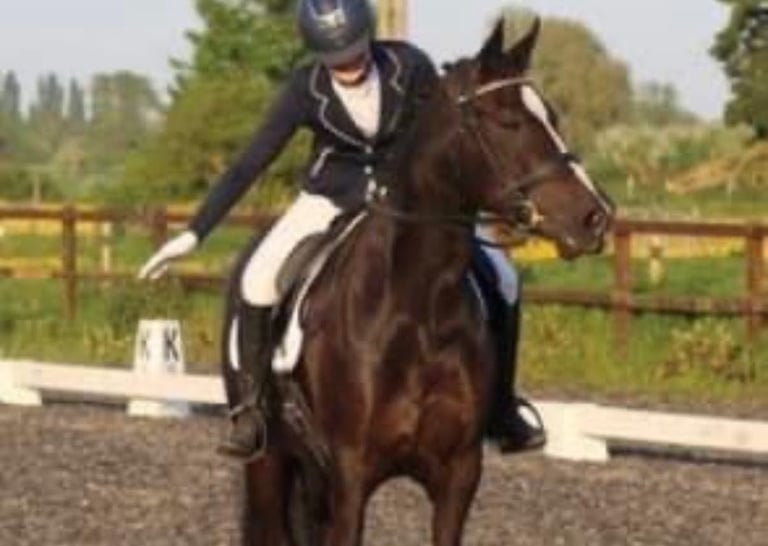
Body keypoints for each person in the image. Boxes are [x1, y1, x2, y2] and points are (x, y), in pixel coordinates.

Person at [138, 0, 545, 460]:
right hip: (329, 197)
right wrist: (196, 233)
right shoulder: (305, 87)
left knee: (505, 279)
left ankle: (503, 408)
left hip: (405, 204)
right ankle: (251, 411)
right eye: (336, 57)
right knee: (256, 280)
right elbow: (251, 162)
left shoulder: (408, 65)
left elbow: (445, 137)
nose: (348, 64)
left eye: (354, 51)